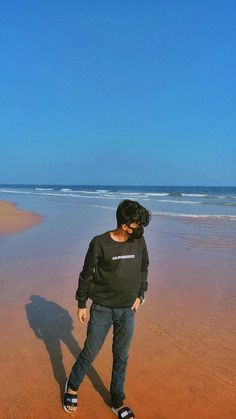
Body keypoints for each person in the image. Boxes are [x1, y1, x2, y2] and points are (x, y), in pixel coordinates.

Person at [63, 199, 151, 418]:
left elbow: (143, 267)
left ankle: (117, 401)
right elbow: (86, 274)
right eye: (136, 225)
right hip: (102, 308)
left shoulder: (139, 242)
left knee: (121, 356)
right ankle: (72, 386)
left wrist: (141, 294)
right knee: (90, 351)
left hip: (128, 310)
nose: (139, 229)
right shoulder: (99, 243)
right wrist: (82, 304)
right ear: (124, 224)